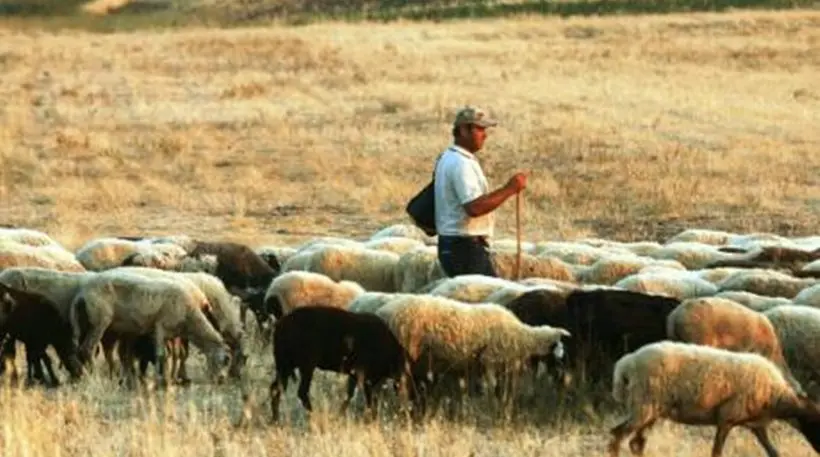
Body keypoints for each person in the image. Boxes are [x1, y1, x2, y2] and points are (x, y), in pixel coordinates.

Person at [433, 105, 527, 278]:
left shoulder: (448, 157)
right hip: (465, 249)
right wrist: (510, 188)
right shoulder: (461, 164)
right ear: (463, 130)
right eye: (479, 129)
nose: (485, 135)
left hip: (453, 246)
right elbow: (474, 207)